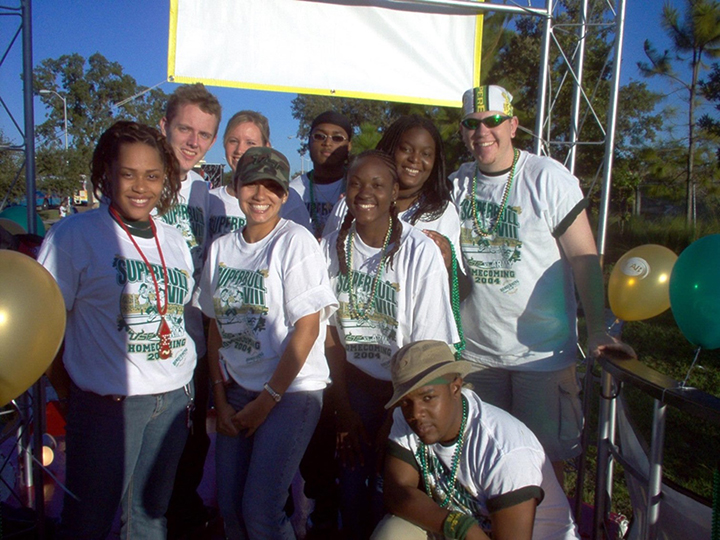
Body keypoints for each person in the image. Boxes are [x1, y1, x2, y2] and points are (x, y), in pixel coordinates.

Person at [449, 85, 636, 483]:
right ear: (463, 132)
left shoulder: (546, 177)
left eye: (493, 121)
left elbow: (584, 258)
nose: (482, 131)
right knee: (483, 461)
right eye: (471, 123)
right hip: (478, 356)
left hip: (542, 357)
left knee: (545, 466)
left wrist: (598, 327)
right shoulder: (457, 185)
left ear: (513, 125)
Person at [38, 121, 196, 539]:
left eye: (152, 175)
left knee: (149, 517)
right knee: (88, 521)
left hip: (174, 399)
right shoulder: (74, 235)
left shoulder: (174, 238)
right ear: (107, 173)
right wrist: (71, 392)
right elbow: (44, 324)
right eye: (128, 173)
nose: (141, 186)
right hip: (110, 406)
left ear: (166, 178)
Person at [198, 146, 338, 539]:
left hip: (290, 392)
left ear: (284, 195)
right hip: (238, 392)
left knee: (260, 510)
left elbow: (308, 328)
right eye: (252, 183)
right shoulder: (222, 248)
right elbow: (215, 326)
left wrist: (266, 401)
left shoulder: (295, 242)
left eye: (272, 187)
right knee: (230, 508)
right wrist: (220, 398)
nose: (261, 195)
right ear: (236, 185)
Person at [321, 150, 459, 539]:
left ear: (395, 191)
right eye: (356, 184)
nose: (365, 193)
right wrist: (343, 409)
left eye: (378, 185)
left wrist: (395, 419)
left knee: (393, 490)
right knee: (350, 485)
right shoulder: (330, 247)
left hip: (406, 391)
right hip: (353, 386)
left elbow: (428, 347)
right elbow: (329, 333)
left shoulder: (419, 252)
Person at [373, 340, 581, 540]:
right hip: (463, 532)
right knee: (393, 532)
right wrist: (460, 527)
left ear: (455, 388)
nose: (416, 413)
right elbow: (397, 492)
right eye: (406, 402)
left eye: (428, 398)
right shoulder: (406, 416)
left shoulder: (505, 450)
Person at [158, 82, 222, 537]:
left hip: (194, 340)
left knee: (194, 440)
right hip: (147, 343)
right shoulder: (140, 180)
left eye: (203, 134)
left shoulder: (205, 191)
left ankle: (182, 514)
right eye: (184, 129)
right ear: (164, 126)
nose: (192, 142)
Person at [209, 110, 310, 242]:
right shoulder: (211, 199)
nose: (240, 150)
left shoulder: (286, 199)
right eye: (233, 141)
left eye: (250, 143)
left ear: (266, 146)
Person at [290, 110, 353, 238]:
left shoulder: (356, 188)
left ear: (348, 146)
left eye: (337, 138)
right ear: (309, 141)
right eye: (319, 136)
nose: (327, 143)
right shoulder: (292, 191)